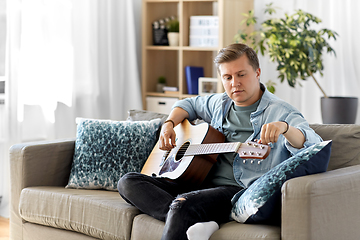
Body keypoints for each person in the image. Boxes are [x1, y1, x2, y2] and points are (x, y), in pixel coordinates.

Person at [118, 43, 322, 240]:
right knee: (128, 182)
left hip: (234, 191)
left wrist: (285, 128)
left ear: (257, 73)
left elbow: (314, 144)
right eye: (228, 77)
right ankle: (191, 218)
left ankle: (184, 212)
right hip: (197, 181)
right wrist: (169, 124)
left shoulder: (281, 111)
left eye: (241, 74)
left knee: (183, 205)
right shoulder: (219, 103)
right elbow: (187, 103)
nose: (235, 83)